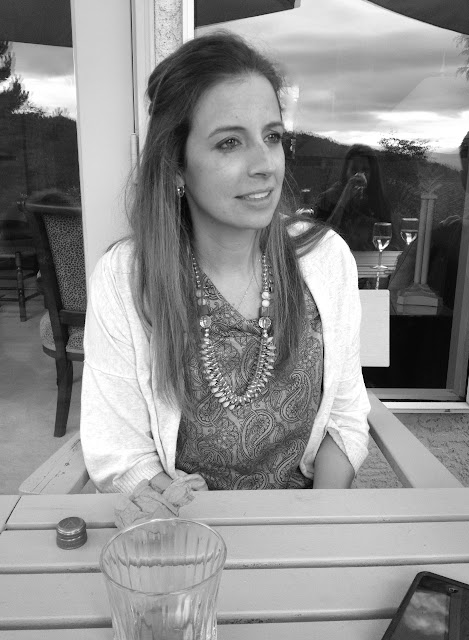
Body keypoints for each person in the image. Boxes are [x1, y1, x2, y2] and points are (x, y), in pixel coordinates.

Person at [80, 32, 370, 495]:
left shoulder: (325, 259)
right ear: (177, 164)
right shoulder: (126, 279)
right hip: (188, 524)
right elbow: (119, 451)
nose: (265, 165)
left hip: (307, 515)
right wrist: (177, 506)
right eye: (230, 142)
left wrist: (318, 519)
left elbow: (345, 417)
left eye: (272, 137)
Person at [314, 143, 392, 251]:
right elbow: (319, 239)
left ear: (373, 174)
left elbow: (389, 239)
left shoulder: (378, 201)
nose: (359, 175)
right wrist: (344, 198)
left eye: (365, 170)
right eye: (354, 170)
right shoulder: (328, 199)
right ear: (346, 171)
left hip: (370, 260)